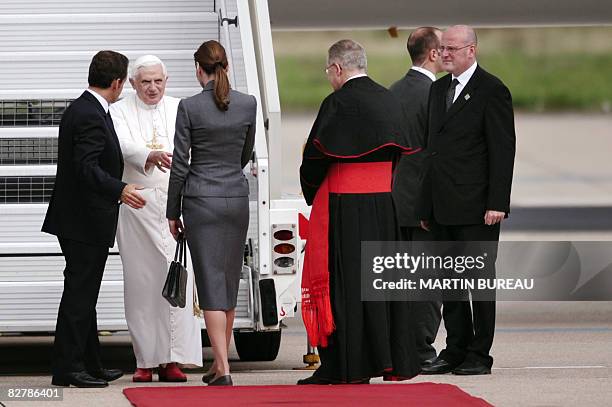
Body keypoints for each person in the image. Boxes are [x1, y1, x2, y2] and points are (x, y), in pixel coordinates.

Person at [297, 39, 422, 385]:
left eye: (328, 72)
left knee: (346, 289)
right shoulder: (390, 98)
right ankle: (390, 362)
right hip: (385, 207)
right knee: (383, 285)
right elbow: (400, 154)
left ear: (337, 68)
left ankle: (347, 367)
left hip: (345, 209)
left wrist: (310, 189)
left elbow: (314, 161)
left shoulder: (336, 103)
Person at [42, 50, 146, 387]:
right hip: (84, 221)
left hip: (79, 219)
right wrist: (120, 188)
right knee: (79, 295)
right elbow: (86, 168)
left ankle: (90, 362)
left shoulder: (84, 108)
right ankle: (68, 368)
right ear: (117, 83)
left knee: (84, 293)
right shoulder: (89, 114)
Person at [418, 25, 516, 376]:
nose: (443, 54)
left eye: (451, 49)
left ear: (471, 51)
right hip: (443, 206)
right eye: (442, 48)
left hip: (478, 209)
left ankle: (479, 353)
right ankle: (456, 347)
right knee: (450, 283)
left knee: (478, 282)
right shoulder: (439, 89)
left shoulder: (492, 90)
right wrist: (426, 207)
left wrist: (497, 202)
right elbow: (434, 152)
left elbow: (502, 151)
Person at [166, 40, 256, 387]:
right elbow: (245, 153)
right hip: (235, 197)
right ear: (227, 67)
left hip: (201, 201)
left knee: (209, 286)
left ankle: (224, 368)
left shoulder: (189, 107)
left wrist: (173, 211)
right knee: (228, 283)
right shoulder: (247, 103)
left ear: (198, 70)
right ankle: (220, 365)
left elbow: (179, 166)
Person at [110, 55, 203, 382]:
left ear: (167, 81)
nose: (152, 88)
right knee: (142, 284)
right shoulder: (119, 109)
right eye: (145, 82)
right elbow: (120, 144)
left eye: (158, 81)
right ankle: (145, 361)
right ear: (133, 83)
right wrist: (147, 155)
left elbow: (196, 148)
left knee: (177, 278)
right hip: (138, 204)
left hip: (177, 204)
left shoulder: (181, 107)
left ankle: (173, 359)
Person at [389, 27, 444, 367]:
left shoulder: (393, 92)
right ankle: (421, 351)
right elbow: (436, 156)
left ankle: (398, 347)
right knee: (427, 283)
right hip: (423, 204)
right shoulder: (436, 95)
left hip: (394, 199)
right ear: (433, 54)